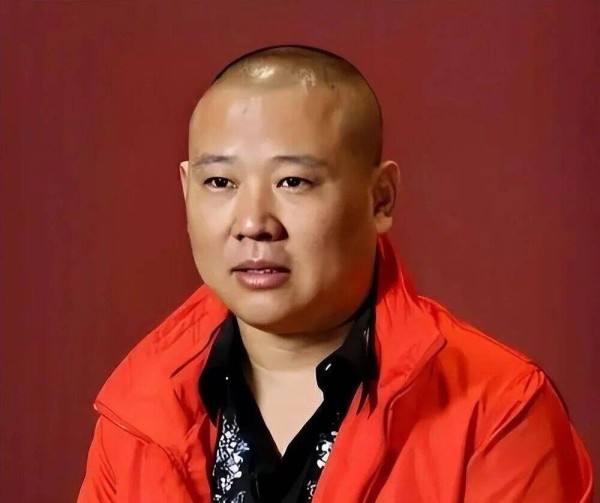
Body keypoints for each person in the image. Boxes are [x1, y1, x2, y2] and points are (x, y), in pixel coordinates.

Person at [77, 45, 593, 503]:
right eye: (219, 182)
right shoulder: (139, 409)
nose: (253, 223)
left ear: (380, 199)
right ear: (186, 190)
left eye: (293, 181)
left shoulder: (499, 408)